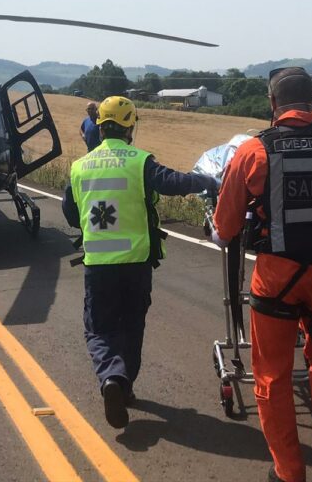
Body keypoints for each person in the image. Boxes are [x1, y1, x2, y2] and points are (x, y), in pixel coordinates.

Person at [211, 68, 312, 482]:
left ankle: (288, 471)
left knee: (273, 375)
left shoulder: (253, 151)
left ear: (273, 104)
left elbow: (225, 228)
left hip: (277, 281)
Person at [62, 96, 219, 429]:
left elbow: (72, 215)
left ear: (99, 127)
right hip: (137, 264)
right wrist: (210, 181)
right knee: (132, 325)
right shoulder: (141, 162)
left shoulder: (79, 167)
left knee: (99, 328)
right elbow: (176, 183)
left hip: (98, 266)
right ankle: (125, 386)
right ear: (130, 127)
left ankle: (111, 377)